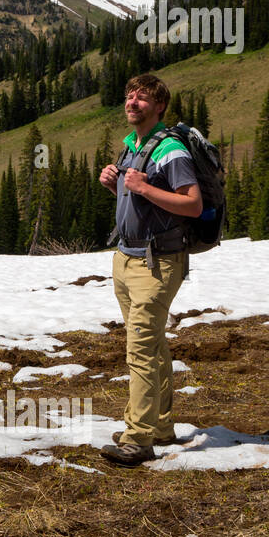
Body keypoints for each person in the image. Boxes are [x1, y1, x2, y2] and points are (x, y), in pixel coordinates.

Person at [98, 74, 202, 466]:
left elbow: (191, 204)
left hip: (157, 263)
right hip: (126, 259)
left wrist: (141, 188)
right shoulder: (132, 147)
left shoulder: (170, 149)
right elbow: (143, 200)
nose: (133, 102)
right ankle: (159, 425)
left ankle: (138, 438)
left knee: (139, 349)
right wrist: (116, 186)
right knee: (152, 344)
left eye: (143, 98)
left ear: (159, 107)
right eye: (129, 95)